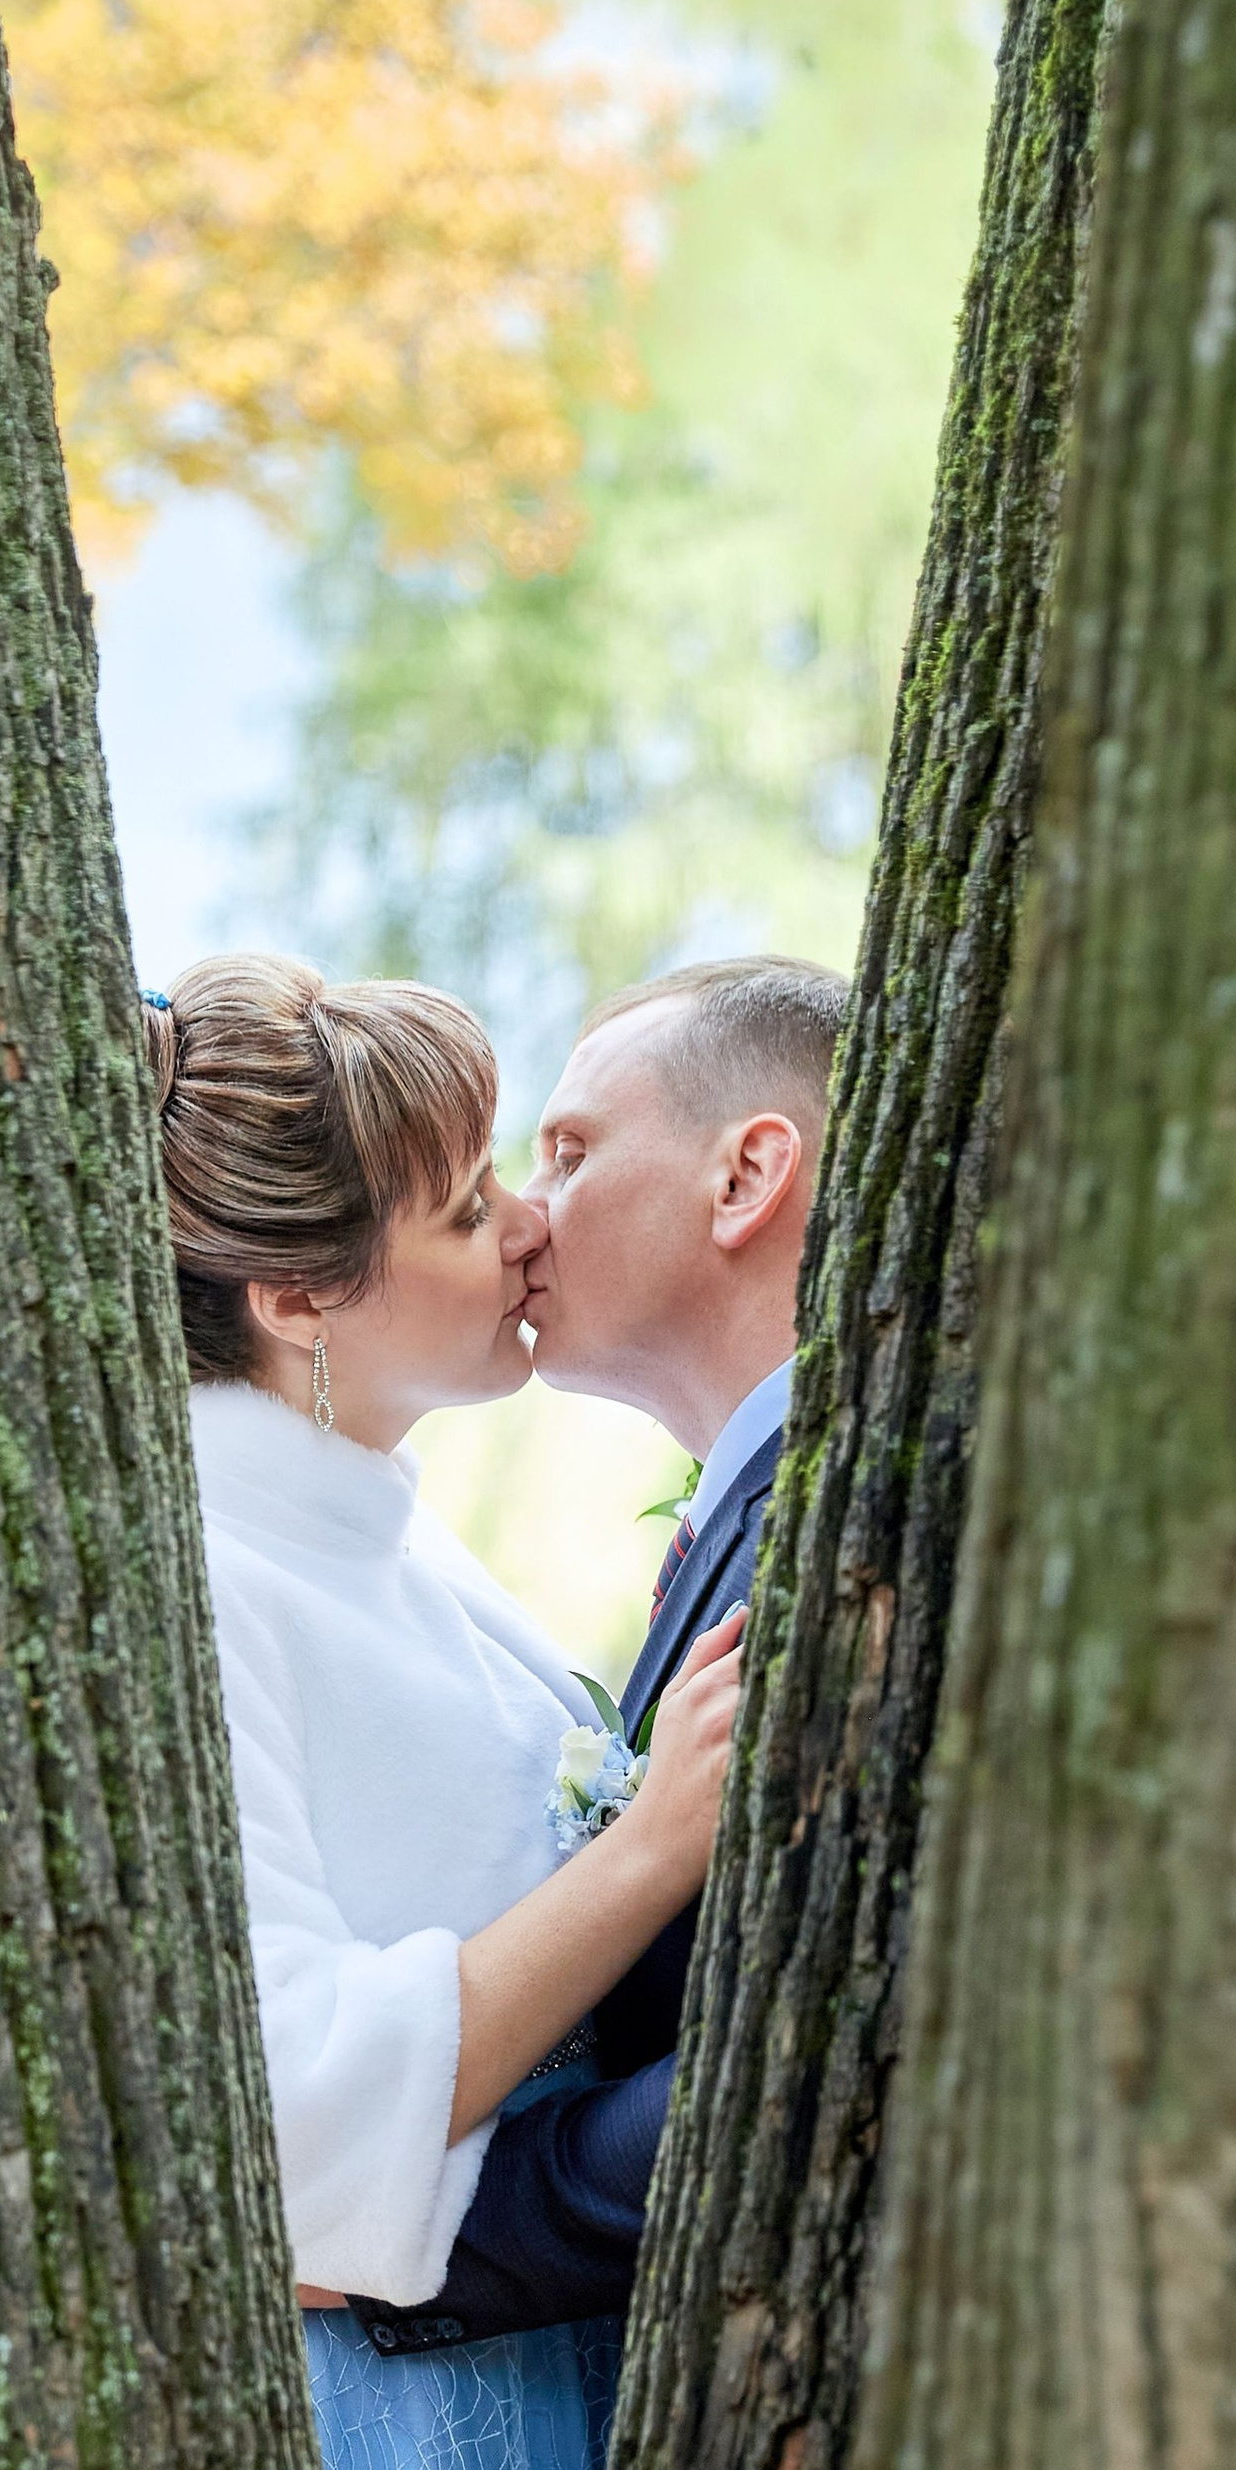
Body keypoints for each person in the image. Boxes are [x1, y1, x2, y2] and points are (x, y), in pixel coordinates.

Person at [146, 953, 743, 2470]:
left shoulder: (395, 1545)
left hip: (548, 2355)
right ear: (297, 1297)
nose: (520, 1229)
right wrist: (652, 1844)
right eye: (458, 1195)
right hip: (424, 2420)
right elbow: (297, 2128)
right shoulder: (204, 1563)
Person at [350, 954, 843, 2358]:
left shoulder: (848, 1525)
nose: (520, 1217)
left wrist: (428, 2237)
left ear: (746, 1179)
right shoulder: (749, 1525)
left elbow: (823, 2042)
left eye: (567, 1153)